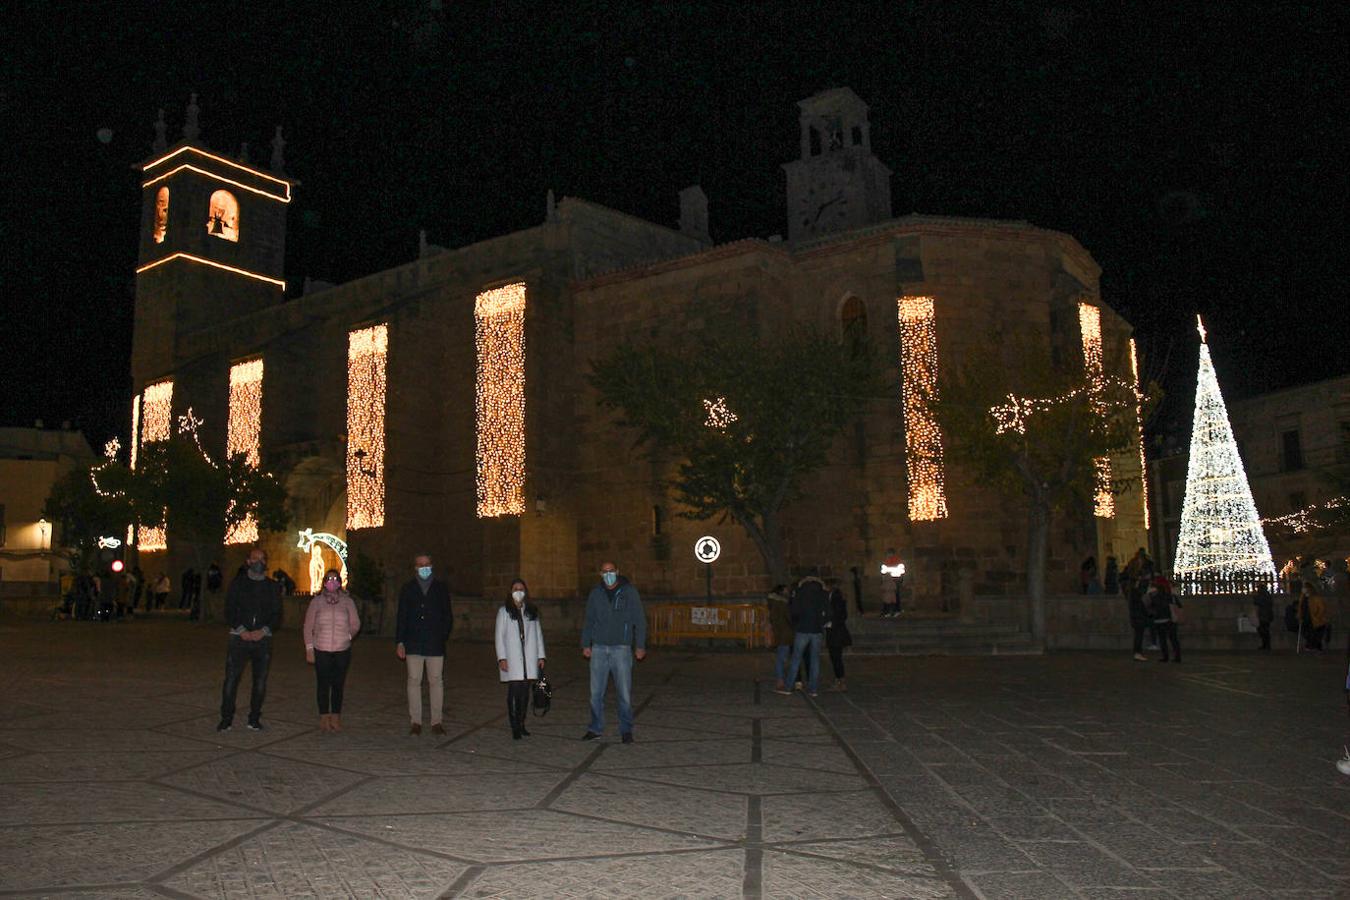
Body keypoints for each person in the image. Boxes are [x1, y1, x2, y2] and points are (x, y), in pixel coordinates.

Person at [581, 561, 646, 743]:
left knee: (624, 693)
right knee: (595, 693)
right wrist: (586, 643)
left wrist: (639, 645)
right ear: (600, 574)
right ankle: (595, 728)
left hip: (621, 648)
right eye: (605, 572)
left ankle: (626, 729)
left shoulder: (629, 592)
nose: (608, 574)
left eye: (611, 571)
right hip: (599, 648)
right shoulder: (596, 593)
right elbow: (589, 619)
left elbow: (639, 619)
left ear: (617, 572)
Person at [217, 547, 281, 731]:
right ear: (248, 561)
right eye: (255, 558)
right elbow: (229, 610)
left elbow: (277, 614)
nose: (258, 562)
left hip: (263, 640)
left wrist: (264, 630)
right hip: (239, 638)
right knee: (231, 679)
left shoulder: (272, 586)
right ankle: (226, 718)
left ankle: (254, 718)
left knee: (260, 681)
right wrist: (241, 629)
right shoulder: (238, 584)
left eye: (262, 558)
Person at [396, 554, 453, 736]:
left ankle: (436, 721)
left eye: (427, 564)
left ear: (432, 566)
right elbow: (402, 617)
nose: (424, 567)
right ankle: (416, 721)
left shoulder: (440, 588)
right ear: (415, 568)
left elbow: (447, 616)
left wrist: (442, 635)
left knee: (436, 681)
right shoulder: (408, 588)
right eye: (420, 565)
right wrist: (400, 641)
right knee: (414, 681)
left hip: (435, 643)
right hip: (413, 642)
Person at [303, 568, 360, 733]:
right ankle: (323, 716)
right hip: (321, 648)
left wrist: (348, 635)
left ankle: (335, 716)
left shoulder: (348, 602)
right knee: (323, 684)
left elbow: (355, 622)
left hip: (342, 650)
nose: (332, 581)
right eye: (329, 578)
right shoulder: (317, 602)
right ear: (324, 581)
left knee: (338, 684)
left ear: (340, 582)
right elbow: (308, 626)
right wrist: (309, 648)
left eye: (335, 578)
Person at [495, 578, 546, 740]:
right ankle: (514, 725)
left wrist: (541, 655)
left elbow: (538, 634)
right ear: (510, 591)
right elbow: (499, 636)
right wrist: (501, 658)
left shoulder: (531, 610)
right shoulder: (503, 611)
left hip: (529, 658)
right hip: (512, 658)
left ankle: (522, 722)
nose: (519, 591)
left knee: (525, 693)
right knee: (514, 692)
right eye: (515, 588)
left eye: (521, 588)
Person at [779, 574, 828, 697]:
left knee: (796, 658)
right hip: (816, 629)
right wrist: (822, 622)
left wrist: (796, 623)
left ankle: (789, 687)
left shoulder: (799, 592)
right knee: (815, 659)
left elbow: (794, 610)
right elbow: (828, 610)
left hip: (802, 629)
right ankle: (813, 689)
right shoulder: (822, 593)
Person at [824, 578, 852, 691]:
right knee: (835, 657)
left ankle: (840, 681)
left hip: (836, 632)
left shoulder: (836, 598)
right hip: (834, 631)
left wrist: (830, 623)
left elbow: (840, 615)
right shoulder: (834, 597)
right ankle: (839, 680)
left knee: (836, 657)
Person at [766, 584, 795, 692]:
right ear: (781, 591)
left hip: (780, 633)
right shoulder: (782, 603)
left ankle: (781, 679)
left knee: (781, 657)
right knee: (782, 658)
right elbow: (788, 618)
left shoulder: (774, 602)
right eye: (786, 589)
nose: (788, 591)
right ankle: (781, 681)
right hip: (784, 633)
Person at [1148, 575, 1181, 663]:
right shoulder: (1171, 595)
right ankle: (1177, 656)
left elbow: (1151, 607)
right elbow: (1179, 605)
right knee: (1173, 639)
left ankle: (1165, 656)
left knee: (1163, 640)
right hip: (1170, 619)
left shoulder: (1155, 595)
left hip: (1159, 620)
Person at [1252, 583, 1274, 651]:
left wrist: (1254, 597)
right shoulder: (1267, 595)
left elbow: (1257, 602)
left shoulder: (1263, 595)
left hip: (1264, 615)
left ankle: (1266, 645)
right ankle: (1266, 645)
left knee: (1263, 630)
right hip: (1266, 614)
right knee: (1264, 629)